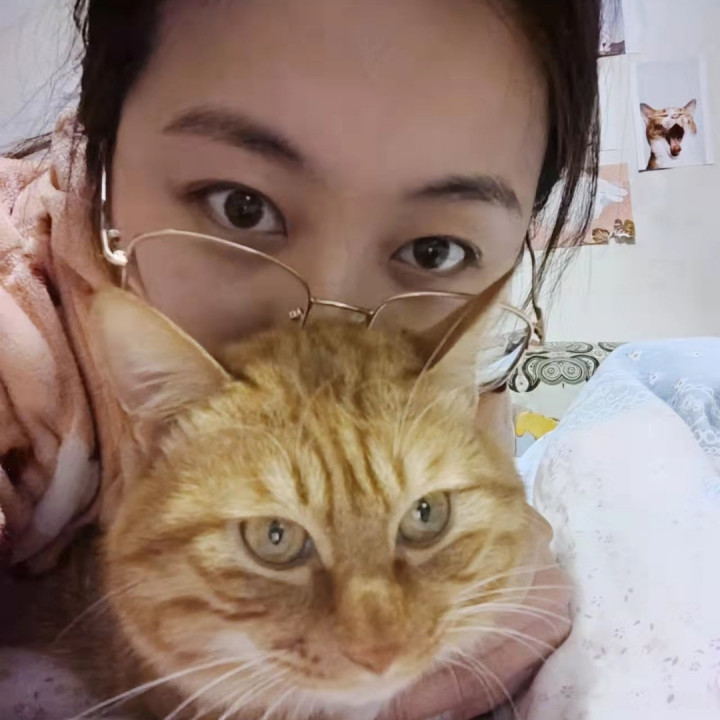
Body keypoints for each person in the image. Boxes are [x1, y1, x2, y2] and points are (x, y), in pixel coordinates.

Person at [0, 0, 600, 717]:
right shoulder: (15, 354)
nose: (324, 314)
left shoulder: (454, 361)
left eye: (435, 250)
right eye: (240, 206)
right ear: (99, 152)